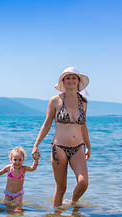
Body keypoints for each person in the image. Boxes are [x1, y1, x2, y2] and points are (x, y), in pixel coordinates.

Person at [32, 66, 91, 207]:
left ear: (78, 81)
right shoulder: (55, 101)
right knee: (61, 188)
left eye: (74, 78)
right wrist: (36, 145)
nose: (71, 80)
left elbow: (83, 126)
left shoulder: (83, 102)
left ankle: (73, 203)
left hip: (78, 148)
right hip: (59, 148)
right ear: (63, 82)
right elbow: (46, 125)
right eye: (67, 78)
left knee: (83, 182)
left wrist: (88, 146)